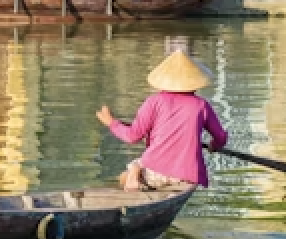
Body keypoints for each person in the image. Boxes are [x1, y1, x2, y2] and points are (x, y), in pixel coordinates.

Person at [95, 46, 229, 192]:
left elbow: (133, 136)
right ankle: (136, 172)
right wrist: (214, 145)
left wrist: (112, 123)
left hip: (156, 172)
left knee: (124, 176)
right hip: (187, 176)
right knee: (141, 166)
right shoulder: (202, 106)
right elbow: (220, 137)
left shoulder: (154, 102)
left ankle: (133, 172)